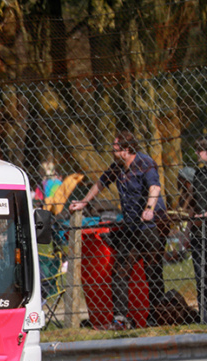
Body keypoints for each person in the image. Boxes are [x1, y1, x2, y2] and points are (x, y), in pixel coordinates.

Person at [69, 131, 168, 330]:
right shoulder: (118, 168)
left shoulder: (144, 163)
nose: (112, 151)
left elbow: (155, 187)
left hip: (151, 227)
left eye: (115, 148)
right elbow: (100, 183)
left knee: (153, 272)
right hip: (131, 228)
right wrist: (83, 202)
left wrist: (149, 209)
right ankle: (121, 319)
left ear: (125, 150)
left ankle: (156, 318)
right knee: (120, 271)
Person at [188, 137, 207, 323]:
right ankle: (204, 317)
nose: (197, 154)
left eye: (200, 150)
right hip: (199, 232)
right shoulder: (198, 175)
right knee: (201, 277)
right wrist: (188, 230)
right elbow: (194, 203)